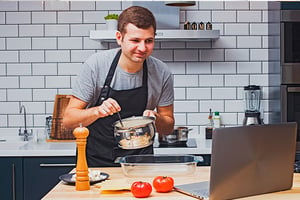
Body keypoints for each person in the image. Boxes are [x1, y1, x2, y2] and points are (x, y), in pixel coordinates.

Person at [63, 6, 174, 167]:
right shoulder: (96, 66)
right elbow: (68, 120)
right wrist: (97, 111)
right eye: (135, 40)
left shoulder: (161, 73)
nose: (142, 48)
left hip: (140, 162)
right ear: (119, 38)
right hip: (97, 161)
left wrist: (156, 119)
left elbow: (168, 127)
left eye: (148, 41)